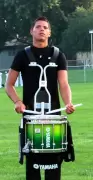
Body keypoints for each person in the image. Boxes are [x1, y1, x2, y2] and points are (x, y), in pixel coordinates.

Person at [5, 16, 76, 180]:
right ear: (32, 31)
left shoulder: (58, 55)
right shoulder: (22, 55)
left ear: (49, 32)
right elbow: (9, 84)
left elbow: (63, 84)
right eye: (38, 27)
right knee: (33, 166)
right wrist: (17, 102)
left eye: (45, 27)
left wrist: (68, 103)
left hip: (53, 117)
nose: (41, 29)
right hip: (31, 116)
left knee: (54, 165)